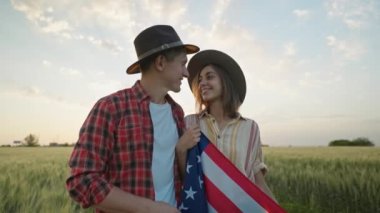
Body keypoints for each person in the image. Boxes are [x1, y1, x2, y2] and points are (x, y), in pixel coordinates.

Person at [66, 25, 201, 213]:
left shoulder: (177, 112)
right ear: (161, 63)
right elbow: (81, 181)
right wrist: (150, 209)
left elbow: (182, 175)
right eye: (182, 64)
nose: (186, 73)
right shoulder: (111, 107)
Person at [176, 49, 277, 202]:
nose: (202, 83)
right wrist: (181, 149)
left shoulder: (250, 128)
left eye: (209, 77)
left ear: (225, 81)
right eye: (200, 79)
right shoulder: (190, 123)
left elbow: (258, 182)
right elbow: (185, 179)